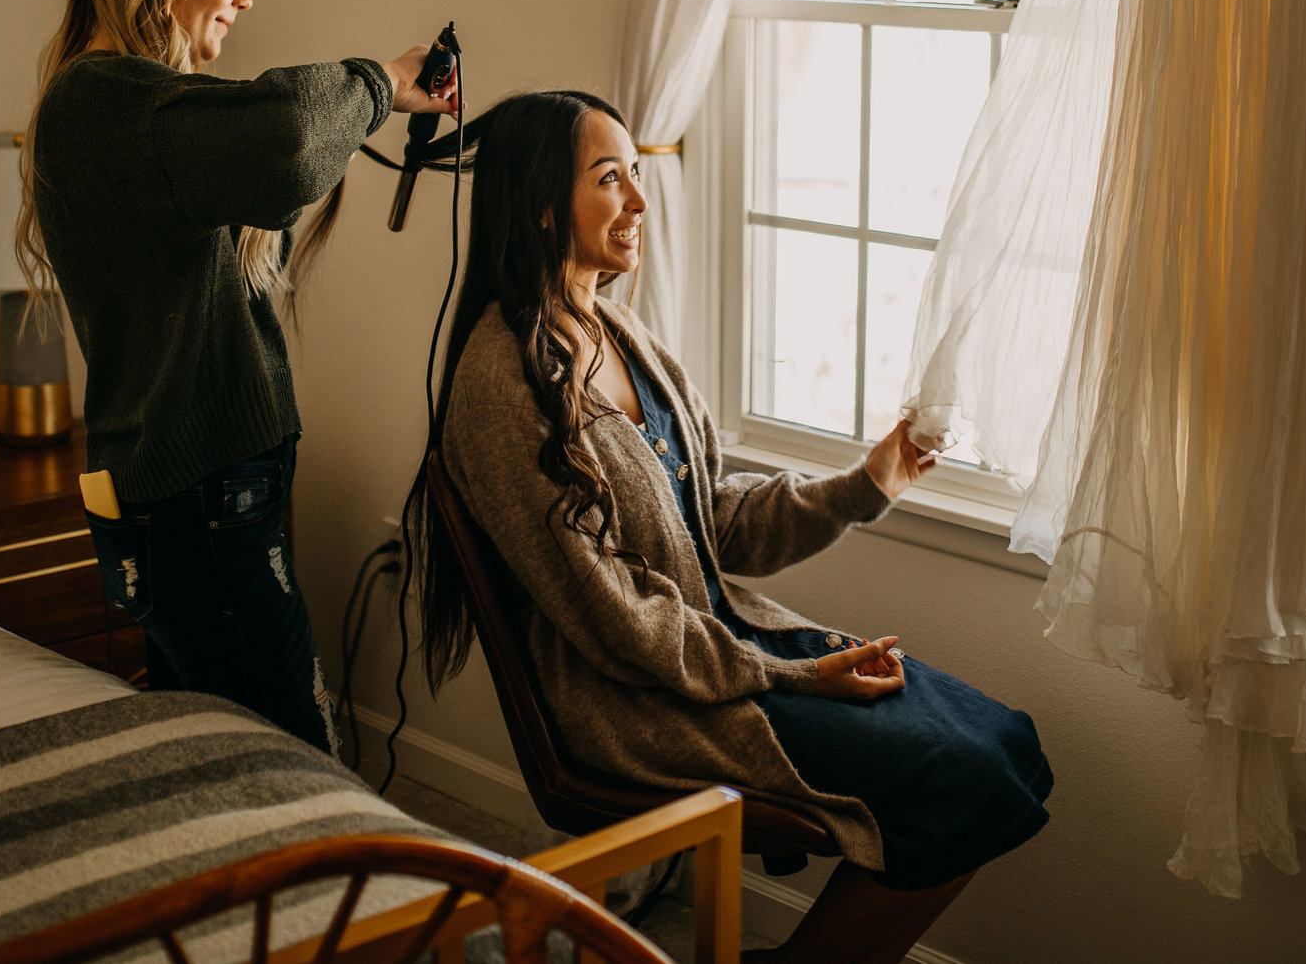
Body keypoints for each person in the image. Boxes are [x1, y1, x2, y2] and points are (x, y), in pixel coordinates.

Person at [414, 90, 1052, 964]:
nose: (640, 201)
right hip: (640, 697)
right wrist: (794, 679)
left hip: (724, 654)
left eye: (638, 174)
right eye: (611, 179)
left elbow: (719, 523)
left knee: (1008, 747)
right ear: (540, 204)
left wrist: (868, 482)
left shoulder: (619, 332)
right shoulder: (500, 387)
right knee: (964, 780)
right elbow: (613, 619)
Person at [18, 0, 453, 755]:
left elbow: (276, 170)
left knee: (213, 745)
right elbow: (291, 141)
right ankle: (341, 891)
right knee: (297, 750)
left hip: (203, 486)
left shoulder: (143, 107)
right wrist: (379, 81)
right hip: (200, 491)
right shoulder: (104, 103)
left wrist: (373, 104)